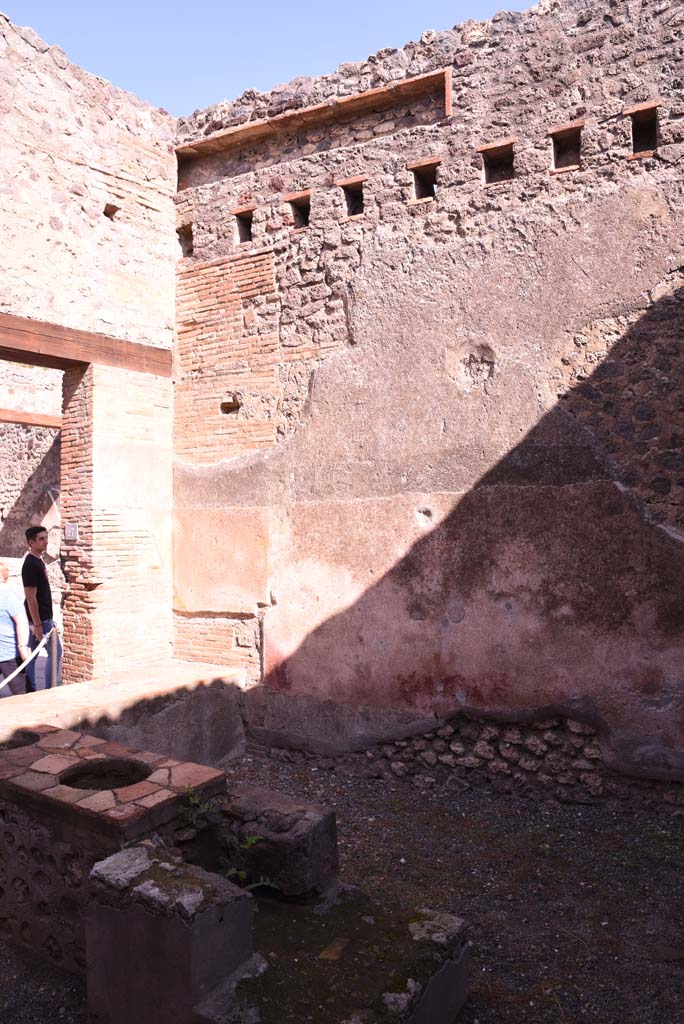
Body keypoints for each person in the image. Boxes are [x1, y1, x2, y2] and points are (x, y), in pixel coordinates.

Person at [22, 525, 62, 691]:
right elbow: (31, 598)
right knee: (55, 653)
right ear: (31, 542)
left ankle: (29, 689)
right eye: (41, 539)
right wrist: (37, 625)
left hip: (42, 618)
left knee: (31, 656)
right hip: (40, 620)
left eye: (46, 538)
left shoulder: (38, 561)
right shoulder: (31, 564)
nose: (45, 542)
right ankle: (48, 689)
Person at [0, 561, 31, 697]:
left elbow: (22, 621)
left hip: (9, 654)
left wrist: (22, 647)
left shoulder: (7, 595)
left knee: (22, 695)